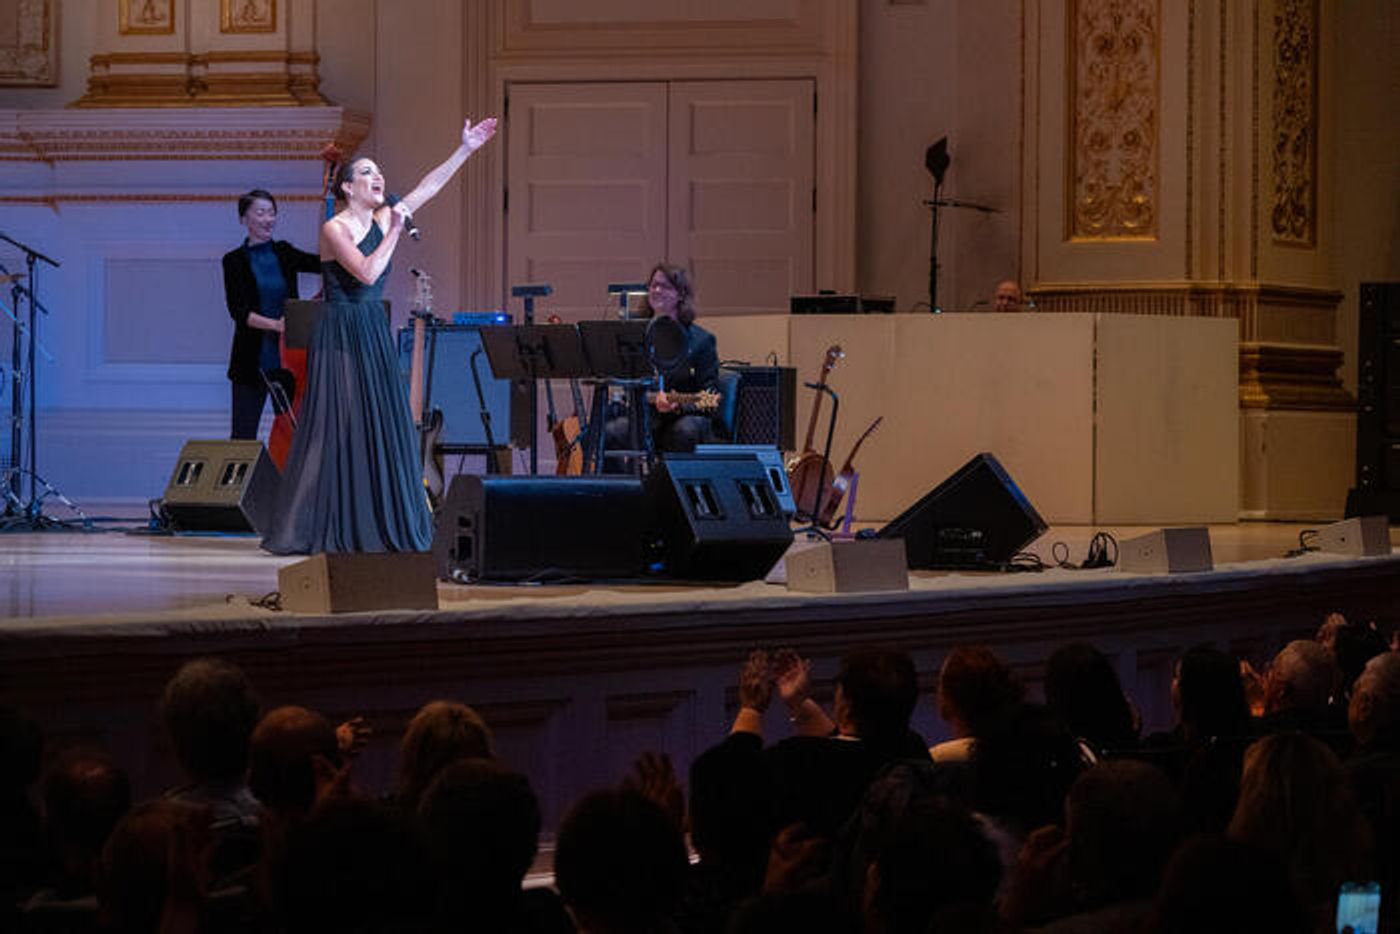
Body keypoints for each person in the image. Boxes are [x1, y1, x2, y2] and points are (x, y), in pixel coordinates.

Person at [262, 117, 497, 555]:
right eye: (367, 172)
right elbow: (367, 271)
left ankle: (379, 521)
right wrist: (393, 231)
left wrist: (464, 150)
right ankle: (316, 524)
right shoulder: (335, 229)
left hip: (371, 328)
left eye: (379, 172)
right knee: (336, 427)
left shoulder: (388, 214)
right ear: (347, 188)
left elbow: (428, 188)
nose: (378, 178)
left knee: (383, 426)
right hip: (341, 329)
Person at [221, 189, 321, 440]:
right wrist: (276, 326)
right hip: (251, 360)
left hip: (289, 360)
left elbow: (321, 265)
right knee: (243, 437)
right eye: (261, 212)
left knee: (294, 435)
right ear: (244, 219)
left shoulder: (284, 252)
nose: (268, 219)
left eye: (272, 213)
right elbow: (239, 312)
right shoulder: (233, 260)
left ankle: (290, 480)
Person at [602, 263, 721, 462]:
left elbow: (711, 396)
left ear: (681, 294)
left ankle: (672, 492)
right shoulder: (636, 337)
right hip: (649, 418)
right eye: (653, 285)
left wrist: (678, 404)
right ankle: (620, 490)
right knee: (608, 432)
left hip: (682, 418)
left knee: (685, 431)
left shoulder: (702, 341)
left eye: (665, 286)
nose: (656, 290)